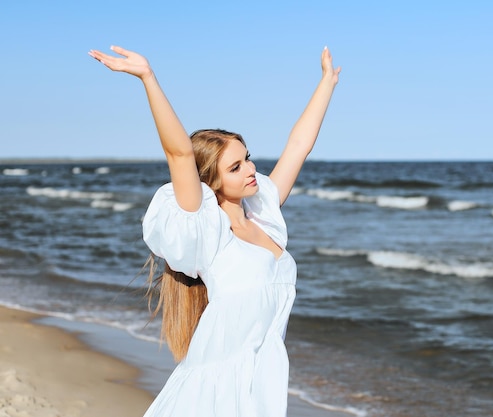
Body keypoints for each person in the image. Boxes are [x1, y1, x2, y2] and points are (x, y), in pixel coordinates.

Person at [88, 45, 340, 416]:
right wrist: (148, 78)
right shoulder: (206, 229)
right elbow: (179, 154)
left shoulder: (262, 212)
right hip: (217, 386)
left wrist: (326, 84)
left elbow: (298, 147)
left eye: (248, 158)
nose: (251, 169)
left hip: (262, 375)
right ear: (212, 180)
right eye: (235, 167)